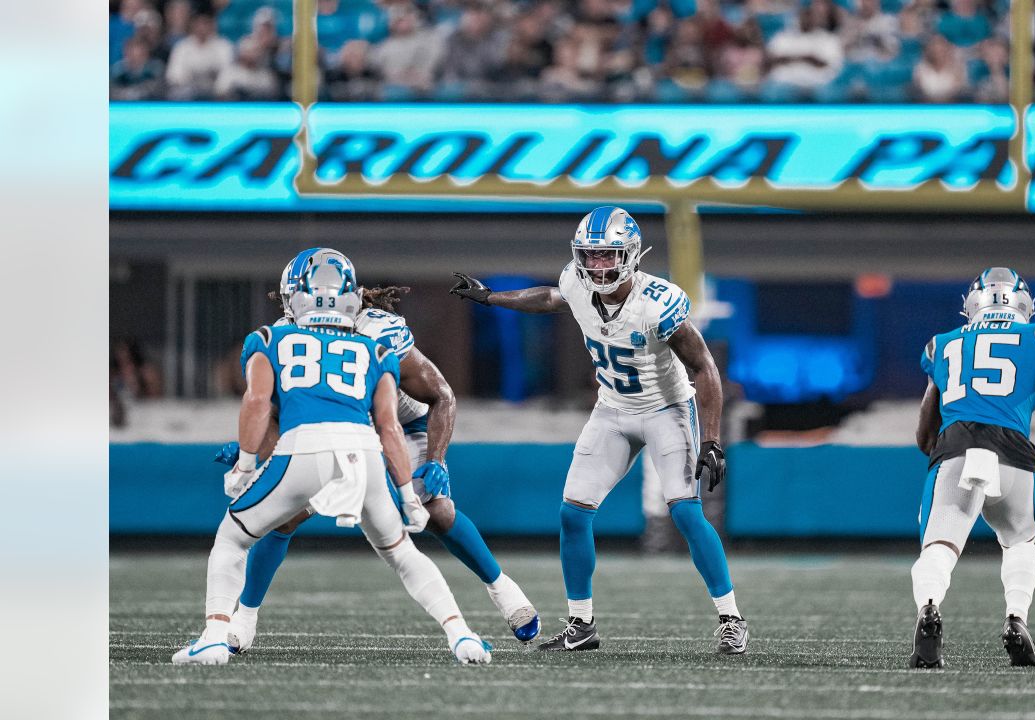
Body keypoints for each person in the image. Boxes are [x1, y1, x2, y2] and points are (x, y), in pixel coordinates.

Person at [449, 207, 749, 655]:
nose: (598, 266)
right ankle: (580, 623)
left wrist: (711, 439)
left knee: (686, 513)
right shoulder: (577, 281)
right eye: (591, 256)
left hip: (666, 408)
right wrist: (492, 298)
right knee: (573, 513)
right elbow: (552, 298)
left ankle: (731, 618)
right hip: (612, 409)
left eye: (608, 256)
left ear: (630, 255)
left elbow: (704, 367)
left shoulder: (658, 301)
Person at [172, 249, 491, 666]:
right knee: (402, 552)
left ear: (296, 298)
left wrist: (246, 465)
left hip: (302, 449)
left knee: (232, 538)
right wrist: (410, 499)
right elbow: (390, 428)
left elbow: (256, 404)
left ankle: (215, 636)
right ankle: (461, 634)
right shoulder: (374, 348)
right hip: (363, 453)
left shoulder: (270, 338)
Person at [910, 267, 1035, 669]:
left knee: (940, 548)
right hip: (1013, 451)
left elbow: (924, 435)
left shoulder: (941, 345)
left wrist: (942, 448)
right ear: (1023, 305)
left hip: (959, 446)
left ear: (972, 306)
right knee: (1019, 543)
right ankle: (1016, 619)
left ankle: (929, 609)